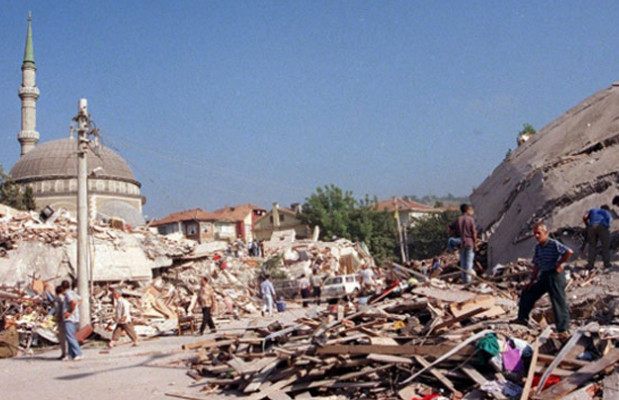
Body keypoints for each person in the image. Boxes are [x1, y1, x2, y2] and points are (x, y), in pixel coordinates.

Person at [515, 223, 573, 339]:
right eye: (535, 233)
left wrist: (559, 263)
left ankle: (563, 329)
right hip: (544, 275)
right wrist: (531, 281)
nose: (536, 236)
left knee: (557, 301)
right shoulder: (538, 247)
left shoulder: (553, 244)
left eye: (539, 233)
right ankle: (522, 318)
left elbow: (569, 252)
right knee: (528, 293)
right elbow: (536, 264)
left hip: (554, 275)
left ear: (545, 233)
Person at [448, 204, 478, 283]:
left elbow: (449, 227)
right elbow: (474, 233)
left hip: (461, 242)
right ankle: (468, 281)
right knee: (469, 262)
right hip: (469, 242)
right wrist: (476, 244)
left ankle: (464, 279)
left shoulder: (458, 219)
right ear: (467, 210)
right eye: (470, 209)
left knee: (463, 262)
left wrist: (453, 234)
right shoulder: (471, 220)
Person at [583, 205, 612, 269]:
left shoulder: (592, 210)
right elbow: (609, 221)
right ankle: (607, 264)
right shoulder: (606, 211)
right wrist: (605, 228)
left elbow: (585, 217)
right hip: (602, 227)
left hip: (591, 226)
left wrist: (587, 225)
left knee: (592, 246)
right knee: (605, 246)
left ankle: (590, 265)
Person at [61, 280, 83, 361]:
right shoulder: (73, 292)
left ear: (62, 287)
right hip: (75, 318)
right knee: (70, 337)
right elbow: (80, 300)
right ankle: (71, 354)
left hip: (70, 319)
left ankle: (78, 353)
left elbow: (73, 302)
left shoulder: (68, 294)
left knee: (70, 337)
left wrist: (69, 312)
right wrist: (76, 308)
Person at [54, 284, 67, 360]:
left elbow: (58, 309)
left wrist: (58, 317)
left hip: (61, 319)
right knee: (65, 337)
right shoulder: (64, 298)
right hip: (65, 318)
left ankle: (64, 353)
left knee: (62, 337)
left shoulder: (58, 299)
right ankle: (65, 353)